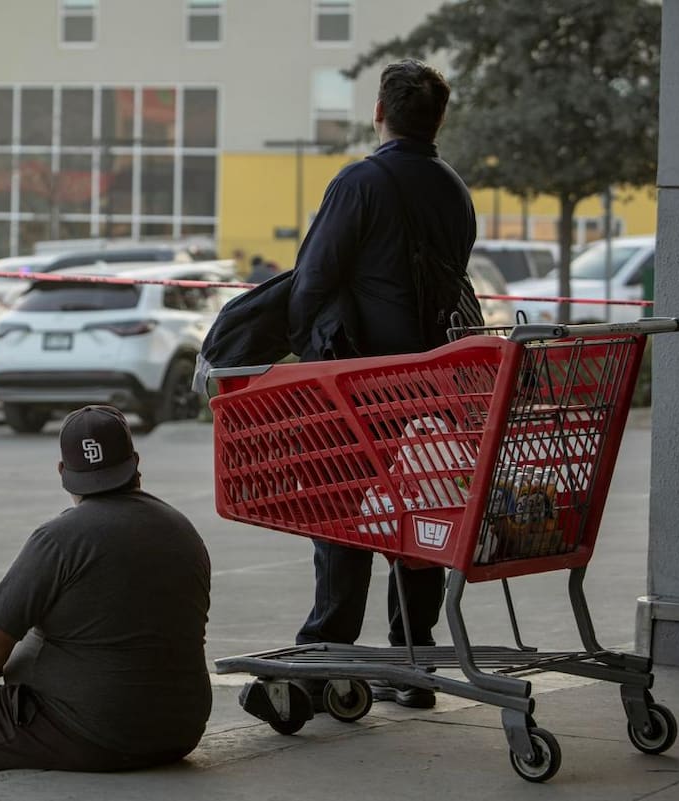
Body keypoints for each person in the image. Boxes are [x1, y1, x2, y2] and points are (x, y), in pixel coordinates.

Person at [286, 59, 476, 709]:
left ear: (379, 112)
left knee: (338, 506)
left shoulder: (359, 183)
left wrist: (305, 351)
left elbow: (310, 281)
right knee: (417, 510)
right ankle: (410, 655)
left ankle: (325, 648)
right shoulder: (455, 190)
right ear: (439, 118)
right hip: (435, 384)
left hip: (365, 382)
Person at [0, 405, 212, 783]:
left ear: (62, 473)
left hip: (95, 733)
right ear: (135, 462)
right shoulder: (182, 530)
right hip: (181, 729)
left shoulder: (60, 538)